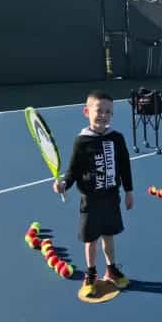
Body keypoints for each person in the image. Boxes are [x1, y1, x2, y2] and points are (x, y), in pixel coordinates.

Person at [53, 90, 134, 297]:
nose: (104, 115)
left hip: (111, 199)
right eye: (99, 110)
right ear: (86, 111)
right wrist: (64, 183)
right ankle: (90, 273)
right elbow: (72, 171)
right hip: (90, 201)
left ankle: (112, 269)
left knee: (109, 236)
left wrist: (128, 191)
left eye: (109, 112)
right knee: (91, 240)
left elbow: (124, 166)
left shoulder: (117, 138)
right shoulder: (81, 141)